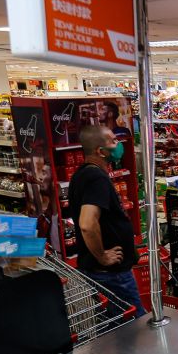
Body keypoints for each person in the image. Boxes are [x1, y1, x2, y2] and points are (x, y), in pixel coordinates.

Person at [69, 125, 146, 317]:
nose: (118, 144)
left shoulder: (84, 174)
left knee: (116, 326)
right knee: (135, 323)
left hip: (105, 271)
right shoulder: (96, 178)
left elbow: (107, 221)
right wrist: (102, 256)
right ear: (100, 151)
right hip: (111, 274)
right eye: (113, 141)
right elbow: (87, 224)